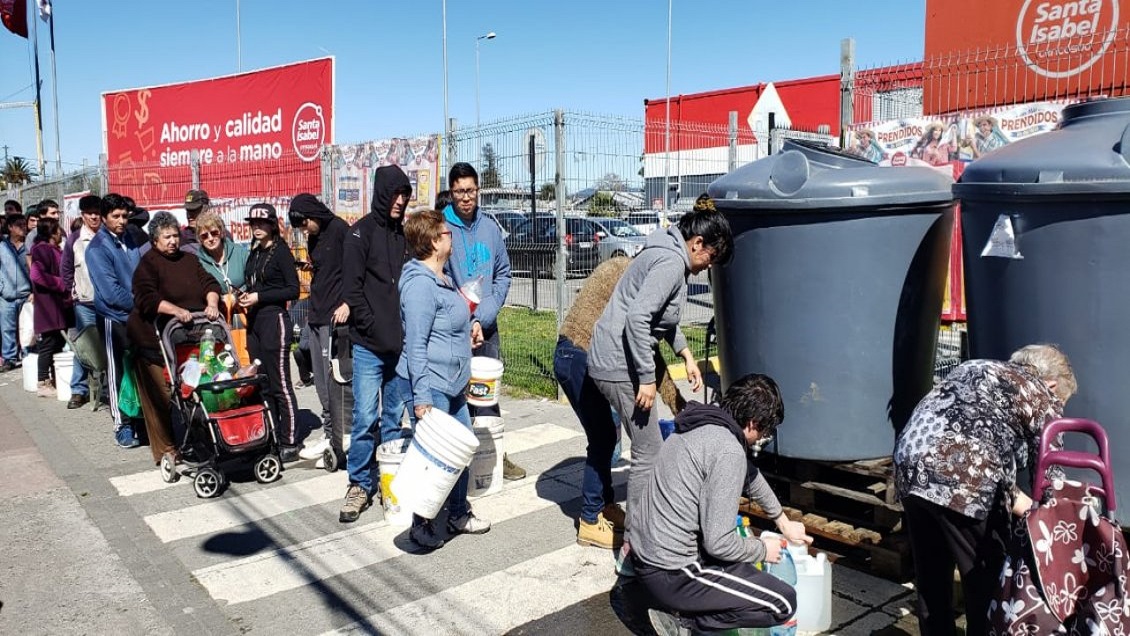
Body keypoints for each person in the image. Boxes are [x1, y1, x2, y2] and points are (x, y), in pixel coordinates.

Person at [893, 344, 1077, 636]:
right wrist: (1060, 525)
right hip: (961, 476)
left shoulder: (975, 367)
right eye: (1061, 401)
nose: (1057, 408)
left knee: (931, 578)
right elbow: (1051, 471)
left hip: (910, 463)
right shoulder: (1040, 392)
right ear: (1052, 384)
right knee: (987, 583)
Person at [588, 207, 733, 569]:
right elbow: (638, 319)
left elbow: (661, 317)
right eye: (711, 257)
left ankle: (642, 535)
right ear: (698, 243)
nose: (709, 266)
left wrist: (684, 353)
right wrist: (648, 380)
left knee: (647, 446)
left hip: (614, 358)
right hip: (619, 364)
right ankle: (636, 547)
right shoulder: (671, 264)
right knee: (649, 451)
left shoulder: (667, 253)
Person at [636, 374, 812, 634]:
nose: (764, 437)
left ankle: (685, 613)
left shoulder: (705, 420)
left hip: (649, 557)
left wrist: (782, 521)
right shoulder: (728, 451)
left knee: (744, 569)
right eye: (765, 431)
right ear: (752, 424)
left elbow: (750, 475)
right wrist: (762, 549)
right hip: (675, 573)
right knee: (783, 602)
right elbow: (718, 543)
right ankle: (685, 623)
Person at [396, 208, 488, 549]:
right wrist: (421, 397)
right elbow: (416, 343)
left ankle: (457, 513)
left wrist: (468, 335)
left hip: (451, 383)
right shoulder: (419, 285)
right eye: (447, 233)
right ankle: (420, 524)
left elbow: (443, 330)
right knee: (433, 458)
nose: (452, 236)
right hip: (430, 383)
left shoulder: (442, 277)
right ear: (435, 242)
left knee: (461, 449)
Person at [339, 165, 413, 523]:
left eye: (405, 195)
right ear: (382, 194)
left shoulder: (403, 237)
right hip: (369, 346)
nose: (400, 202)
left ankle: (389, 479)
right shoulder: (359, 235)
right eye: (395, 195)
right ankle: (359, 483)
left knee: (393, 421)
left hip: (399, 349)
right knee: (365, 416)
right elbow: (352, 292)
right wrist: (374, 328)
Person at [442, 162, 525, 481]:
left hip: (486, 328)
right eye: (460, 191)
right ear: (451, 192)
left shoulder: (490, 228)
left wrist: (484, 315)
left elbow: (503, 273)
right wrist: (464, 321)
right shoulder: (442, 228)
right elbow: (439, 276)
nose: (466, 197)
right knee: (455, 396)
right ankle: (458, 462)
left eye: (471, 190)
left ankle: (495, 456)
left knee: (487, 394)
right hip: (453, 330)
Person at [128, 211, 221, 466]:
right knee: (160, 396)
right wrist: (176, 311)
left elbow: (209, 283)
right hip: (153, 338)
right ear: (155, 240)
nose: (172, 241)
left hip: (189, 335)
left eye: (175, 236)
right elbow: (145, 298)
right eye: (166, 237)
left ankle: (202, 440)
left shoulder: (189, 260)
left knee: (194, 386)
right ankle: (167, 449)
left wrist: (212, 303)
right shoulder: (148, 263)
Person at [288, 194, 354, 467]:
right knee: (318, 377)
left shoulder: (339, 230)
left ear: (314, 215)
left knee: (333, 381)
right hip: (316, 313)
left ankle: (339, 436)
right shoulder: (314, 238)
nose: (305, 231)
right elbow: (327, 269)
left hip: (333, 316)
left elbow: (352, 269)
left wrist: (348, 302)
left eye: (305, 224)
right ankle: (329, 434)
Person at [238, 203, 301, 462]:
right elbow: (253, 283)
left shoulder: (281, 251)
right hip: (254, 323)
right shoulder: (254, 253)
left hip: (274, 319)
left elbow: (293, 290)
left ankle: (290, 439)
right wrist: (243, 295)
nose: (257, 227)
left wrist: (259, 296)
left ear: (273, 224)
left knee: (280, 383)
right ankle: (271, 434)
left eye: (262, 222)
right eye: (253, 223)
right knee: (261, 382)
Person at [86, 193, 143, 448]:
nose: (121, 221)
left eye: (124, 216)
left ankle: (140, 418)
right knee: (117, 370)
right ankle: (122, 425)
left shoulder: (129, 239)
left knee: (139, 369)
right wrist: (141, 302)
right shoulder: (97, 248)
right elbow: (110, 292)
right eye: (115, 216)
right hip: (113, 318)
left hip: (137, 316)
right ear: (104, 218)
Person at [60, 194, 102, 408]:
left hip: (108, 303)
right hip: (84, 303)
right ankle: (78, 390)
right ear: (83, 216)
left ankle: (111, 389)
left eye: (97, 212)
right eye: (90, 213)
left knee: (111, 346)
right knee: (84, 346)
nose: (94, 217)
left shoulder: (107, 235)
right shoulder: (74, 239)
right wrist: (72, 291)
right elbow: (65, 269)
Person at [29, 217, 70, 398]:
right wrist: (61, 284)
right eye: (58, 230)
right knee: (47, 343)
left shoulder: (55, 250)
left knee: (58, 342)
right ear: (52, 233)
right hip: (48, 305)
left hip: (59, 305)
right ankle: (42, 381)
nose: (61, 232)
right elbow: (37, 275)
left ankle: (54, 378)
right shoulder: (41, 250)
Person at [0, 212, 31, 372]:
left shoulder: (29, 247)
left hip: (27, 295)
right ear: (10, 228)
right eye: (18, 225)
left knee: (27, 327)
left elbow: (34, 270)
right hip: (7, 296)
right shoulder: (2, 247)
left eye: (24, 224)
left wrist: (34, 292)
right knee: (7, 329)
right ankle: (9, 358)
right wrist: (2, 288)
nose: (23, 228)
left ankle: (28, 355)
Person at [194, 210, 247, 295]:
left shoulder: (240, 253)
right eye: (204, 236)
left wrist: (238, 294)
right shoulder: (197, 262)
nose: (210, 239)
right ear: (199, 239)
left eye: (214, 233)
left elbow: (253, 281)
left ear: (222, 233)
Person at [181, 189, 209, 254]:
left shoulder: (219, 235)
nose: (190, 216)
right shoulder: (181, 238)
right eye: (188, 211)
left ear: (205, 210)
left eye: (194, 211)